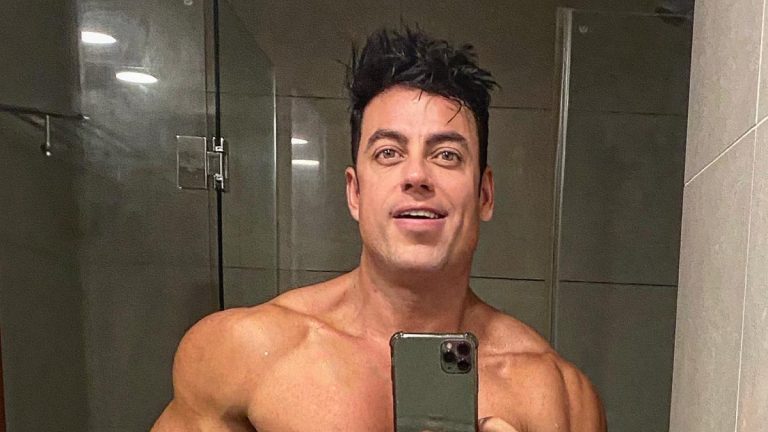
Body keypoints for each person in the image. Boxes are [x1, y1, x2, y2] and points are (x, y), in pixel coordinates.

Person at [152, 27, 606, 432]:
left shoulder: (556, 397)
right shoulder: (242, 355)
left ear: (484, 194)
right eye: (389, 152)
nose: (417, 175)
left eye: (447, 155)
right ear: (355, 192)